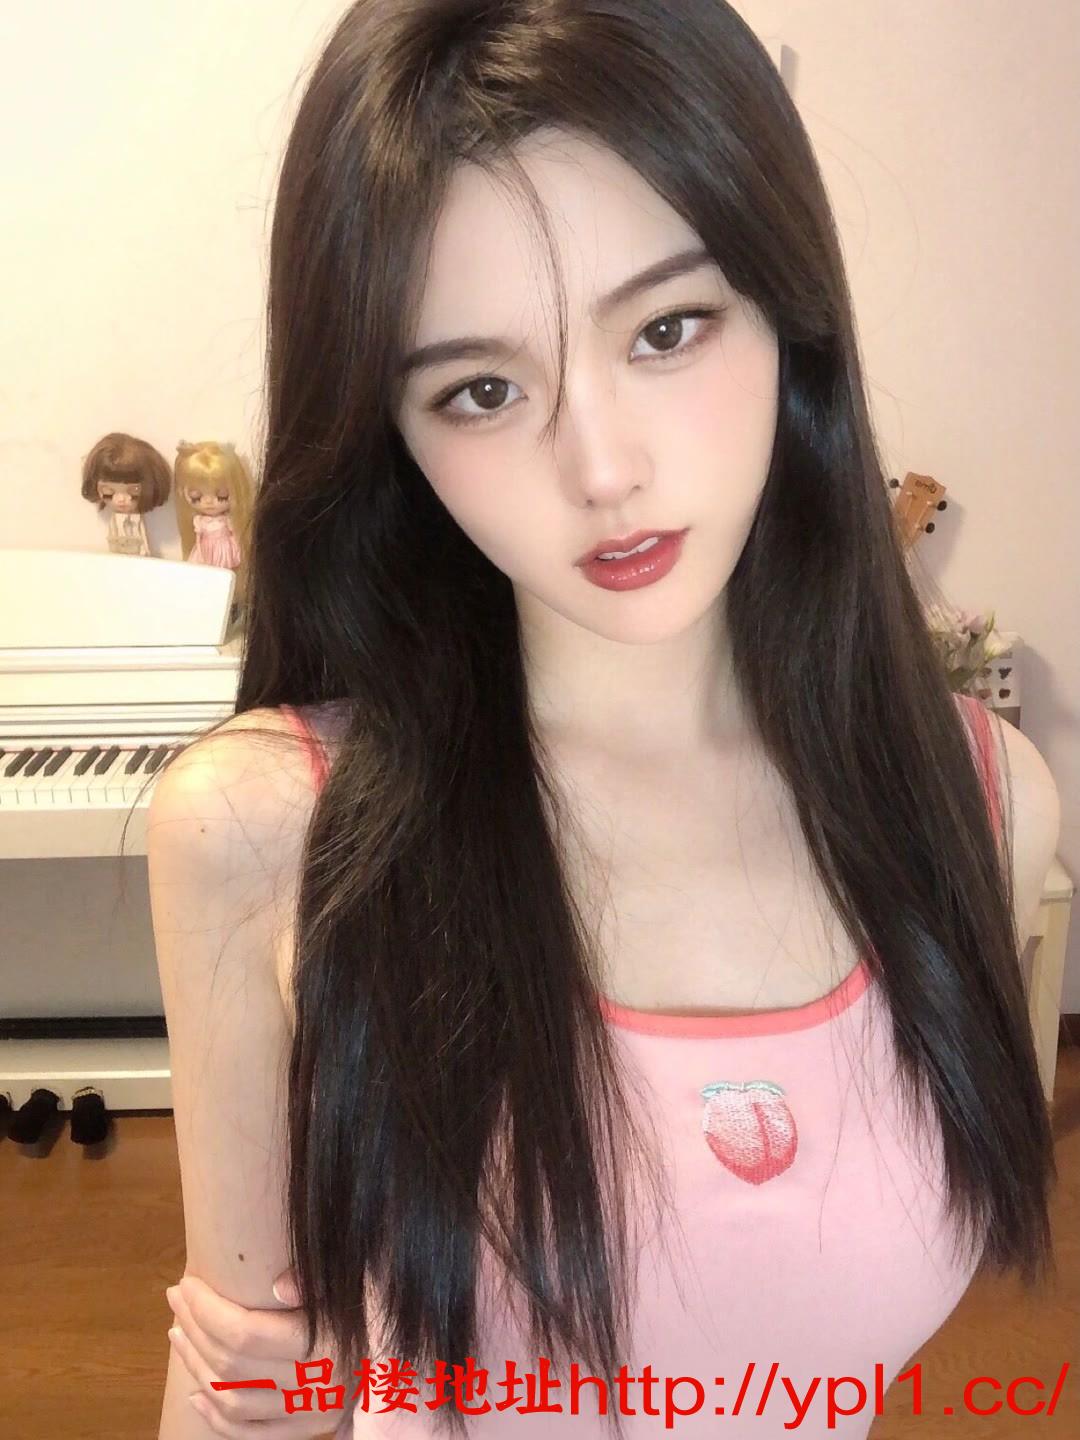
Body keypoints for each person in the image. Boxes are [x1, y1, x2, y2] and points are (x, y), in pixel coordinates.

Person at [146, 1, 1062, 1436]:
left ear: (790, 313)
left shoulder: (981, 798)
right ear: (391, 435)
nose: (600, 467)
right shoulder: (272, 828)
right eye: (482, 390)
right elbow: (252, 1394)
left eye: (668, 329)